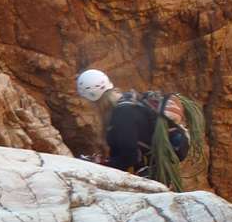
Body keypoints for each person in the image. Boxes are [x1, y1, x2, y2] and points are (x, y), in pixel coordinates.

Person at [76, 69, 204, 189]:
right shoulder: (129, 100)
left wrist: (102, 164)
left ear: (93, 97)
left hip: (151, 171)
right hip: (154, 166)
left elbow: (129, 157)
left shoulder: (122, 114)